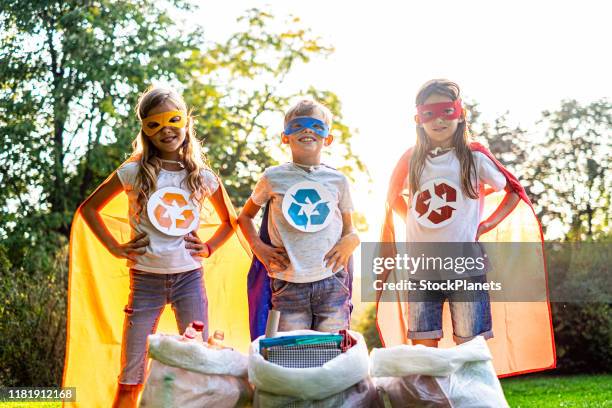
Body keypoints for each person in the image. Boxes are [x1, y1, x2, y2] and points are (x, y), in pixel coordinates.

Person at [79, 86, 234, 408]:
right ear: (145, 130)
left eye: (173, 120)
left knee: (198, 362)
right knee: (131, 371)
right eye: (155, 124)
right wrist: (115, 247)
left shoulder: (201, 176)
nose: (166, 130)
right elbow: (89, 210)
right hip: (145, 281)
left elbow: (230, 221)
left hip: (189, 279)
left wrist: (209, 248)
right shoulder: (134, 172)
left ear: (186, 123)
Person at [382, 79, 521, 347]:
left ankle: (472, 391)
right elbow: (393, 198)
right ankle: (432, 391)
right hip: (421, 268)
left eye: (447, 111)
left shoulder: (474, 158)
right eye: (429, 113)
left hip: (465, 265)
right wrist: (413, 219)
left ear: (460, 114)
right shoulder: (411, 160)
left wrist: (487, 224)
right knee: (424, 347)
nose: (438, 120)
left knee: (472, 346)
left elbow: (512, 191)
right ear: (418, 119)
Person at [238, 99, 359, 333]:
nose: (307, 130)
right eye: (299, 126)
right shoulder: (273, 177)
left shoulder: (339, 181)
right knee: (292, 355)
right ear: (285, 137)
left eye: (316, 126)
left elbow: (350, 230)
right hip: (288, 283)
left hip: (332, 280)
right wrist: (259, 248)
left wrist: (352, 241)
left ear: (328, 138)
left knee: (333, 352)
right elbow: (245, 217)